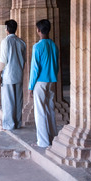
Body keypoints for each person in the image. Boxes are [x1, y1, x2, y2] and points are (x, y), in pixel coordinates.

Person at [27, 19, 59, 148]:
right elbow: (56, 65)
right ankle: (53, 137)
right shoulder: (53, 45)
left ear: (38, 30)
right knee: (50, 110)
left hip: (40, 82)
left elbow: (35, 69)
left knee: (40, 112)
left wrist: (30, 86)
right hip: (51, 81)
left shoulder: (37, 46)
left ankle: (43, 141)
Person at [0, 20, 27, 131]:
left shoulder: (5, 42)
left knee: (8, 101)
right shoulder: (21, 42)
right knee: (18, 100)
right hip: (18, 74)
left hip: (8, 75)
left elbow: (3, 60)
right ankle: (18, 122)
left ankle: (9, 125)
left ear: (6, 29)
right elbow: (24, 61)